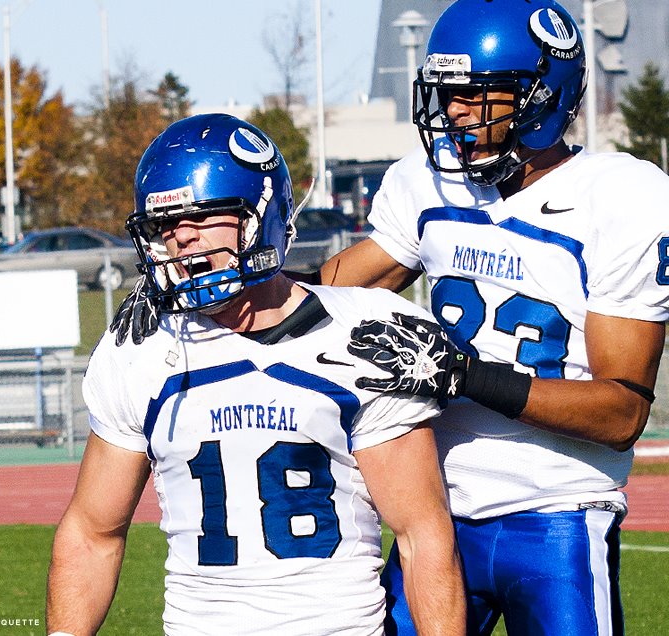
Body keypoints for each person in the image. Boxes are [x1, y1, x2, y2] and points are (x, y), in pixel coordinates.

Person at [109, 2, 669, 634]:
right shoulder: (428, 183)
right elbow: (323, 292)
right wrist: (198, 286)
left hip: (559, 509)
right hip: (442, 505)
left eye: (477, 94)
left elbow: (621, 413)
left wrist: (467, 376)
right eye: (447, 94)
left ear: (545, 95)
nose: (455, 113)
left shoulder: (622, 197)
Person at [47, 113, 465, 635]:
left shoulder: (361, 335)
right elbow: (93, 532)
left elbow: (422, 536)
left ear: (262, 217)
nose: (182, 239)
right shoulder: (141, 348)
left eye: (203, 217)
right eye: (166, 225)